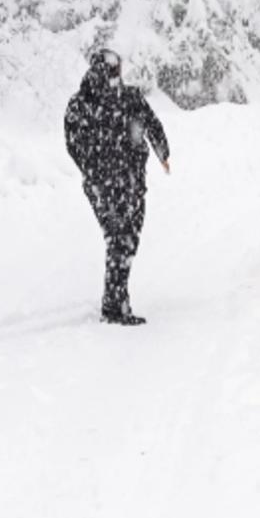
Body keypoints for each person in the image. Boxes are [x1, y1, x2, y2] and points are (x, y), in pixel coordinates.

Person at [64, 49, 170, 325]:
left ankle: (115, 301)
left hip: (124, 182)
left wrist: (162, 153)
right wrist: (98, 170)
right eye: (115, 70)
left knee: (124, 240)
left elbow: (151, 124)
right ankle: (115, 306)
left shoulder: (109, 99)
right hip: (114, 183)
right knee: (122, 239)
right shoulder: (88, 102)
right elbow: (74, 143)